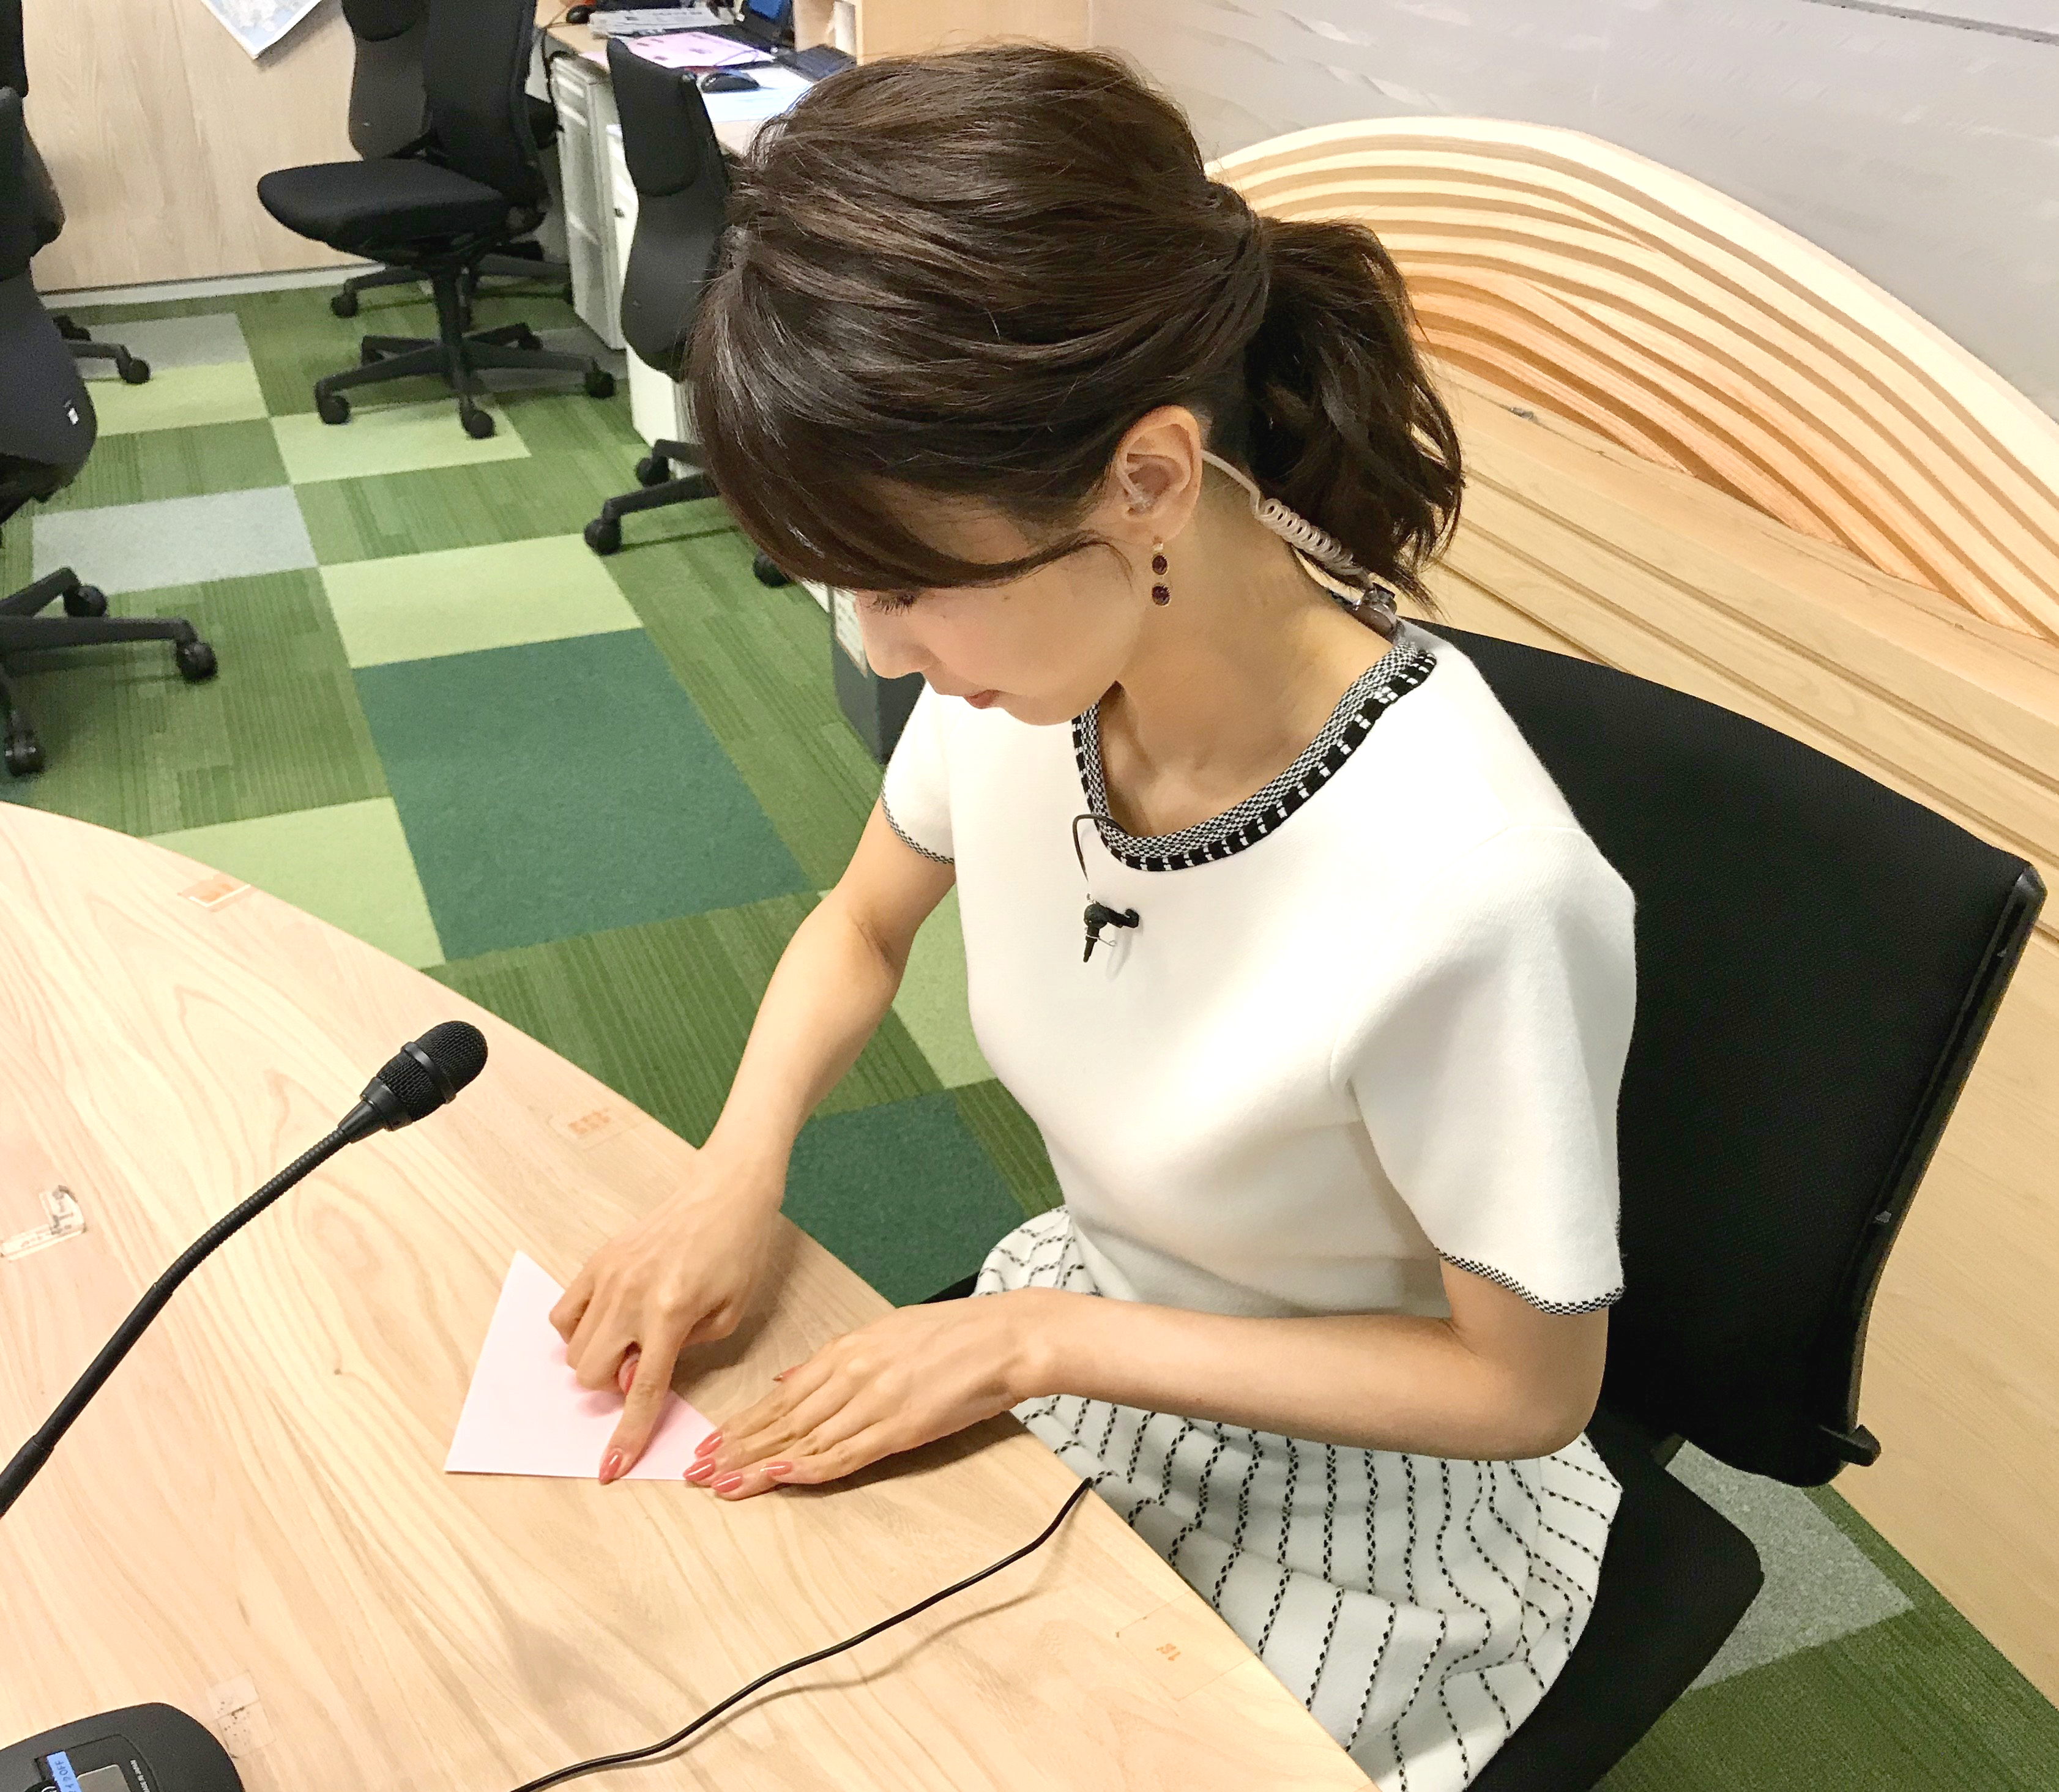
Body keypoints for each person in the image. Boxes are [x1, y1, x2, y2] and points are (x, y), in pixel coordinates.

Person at [549, 43, 1635, 1791]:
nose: (882, 650)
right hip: (1086, 1325)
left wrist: (1041, 1338)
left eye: (907, 585)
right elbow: (861, 927)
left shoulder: (1471, 885)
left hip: (1371, 1489)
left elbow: (1523, 1392)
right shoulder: (1037, 674)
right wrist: (729, 1178)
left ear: (1147, 481)